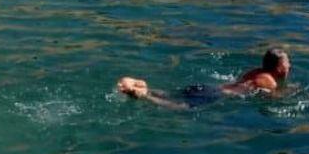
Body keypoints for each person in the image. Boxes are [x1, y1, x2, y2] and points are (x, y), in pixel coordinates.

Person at [117, 48, 291, 109]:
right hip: (216, 95)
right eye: (287, 63)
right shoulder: (269, 81)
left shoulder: (255, 72)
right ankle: (144, 95)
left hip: (210, 87)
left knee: (174, 94)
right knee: (181, 107)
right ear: (279, 68)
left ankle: (146, 89)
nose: (289, 66)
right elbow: (272, 99)